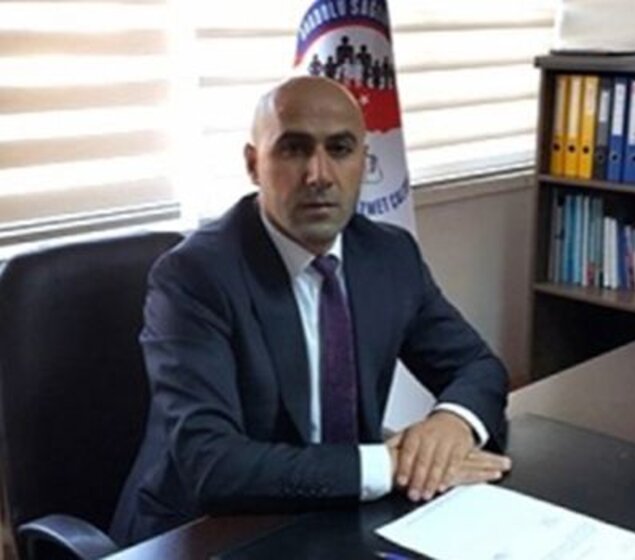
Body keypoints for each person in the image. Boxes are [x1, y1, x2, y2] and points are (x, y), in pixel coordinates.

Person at [110, 76, 511, 544]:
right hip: (206, 530)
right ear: (253, 164)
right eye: (294, 149)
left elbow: (478, 366)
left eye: (340, 149)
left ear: (364, 161)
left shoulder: (388, 256)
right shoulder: (195, 276)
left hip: (337, 517)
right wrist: (391, 465)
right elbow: (213, 463)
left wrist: (453, 422)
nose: (318, 174)